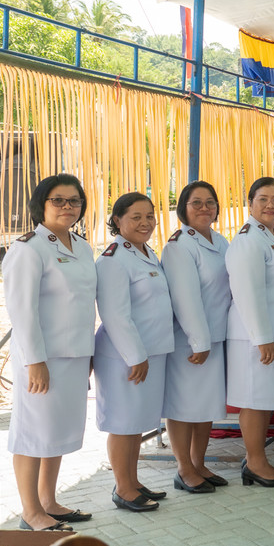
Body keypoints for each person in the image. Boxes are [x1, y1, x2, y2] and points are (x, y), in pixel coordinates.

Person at [3, 174, 97, 531]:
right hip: (42, 358)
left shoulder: (82, 246)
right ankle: (30, 511)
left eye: (74, 200)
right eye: (58, 200)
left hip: (74, 355)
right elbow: (22, 311)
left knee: (55, 430)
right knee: (33, 431)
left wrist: (88, 352)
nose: (67, 206)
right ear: (41, 204)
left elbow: (84, 304)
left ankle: (48, 501)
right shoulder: (28, 248)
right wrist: (35, 361)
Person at [94, 192, 174, 512]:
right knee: (122, 422)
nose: (145, 223)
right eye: (136, 217)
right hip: (124, 355)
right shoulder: (113, 259)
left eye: (150, 216)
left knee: (136, 421)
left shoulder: (145, 252)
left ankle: (133, 481)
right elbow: (115, 314)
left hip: (149, 351)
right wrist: (135, 355)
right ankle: (123, 488)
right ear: (117, 220)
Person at [225, 176, 274, 488]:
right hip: (256, 337)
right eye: (263, 199)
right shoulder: (248, 239)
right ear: (250, 203)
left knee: (265, 398)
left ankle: (256, 459)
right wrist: (262, 337)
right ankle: (255, 462)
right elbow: (248, 293)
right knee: (254, 400)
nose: (271, 205)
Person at [161, 181, 231, 494]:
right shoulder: (179, 246)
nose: (205, 208)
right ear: (183, 209)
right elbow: (185, 299)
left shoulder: (221, 241)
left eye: (210, 202)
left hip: (216, 337)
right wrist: (199, 341)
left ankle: (199, 463)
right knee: (184, 405)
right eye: (196, 203)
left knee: (205, 405)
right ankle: (184, 468)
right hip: (189, 342)